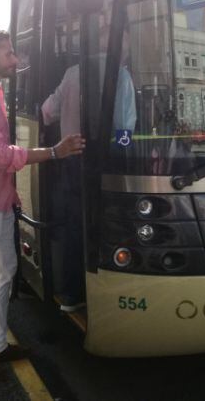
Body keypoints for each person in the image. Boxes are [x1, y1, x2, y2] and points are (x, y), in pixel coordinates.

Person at [0, 30, 84, 383]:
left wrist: (11, 196)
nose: (15, 60)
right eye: (8, 54)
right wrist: (53, 152)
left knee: (4, 270)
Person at [40, 27, 136, 312]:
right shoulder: (122, 75)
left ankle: (72, 294)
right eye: (126, 43)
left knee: (74, 224)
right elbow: (126, 129)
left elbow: (46, 112)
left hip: (72, 158)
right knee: (108, 227)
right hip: (106, 162)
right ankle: (106, 296)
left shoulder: (72, 73)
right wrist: (120, 148)